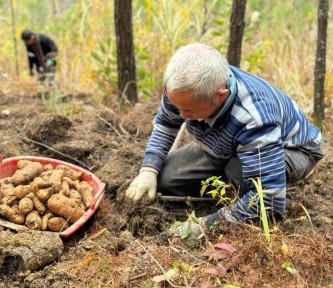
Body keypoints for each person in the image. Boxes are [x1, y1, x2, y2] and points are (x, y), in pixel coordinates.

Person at [125, 43, 323, 246]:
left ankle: (240, 203)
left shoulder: (254, 116)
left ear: (221, 95)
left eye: (189, 111)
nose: (182, 116)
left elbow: (269, 198)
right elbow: (166, 125)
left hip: (294, 149)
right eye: (178, 107)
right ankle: (233, 186)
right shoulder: (180, 89)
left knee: (240, 172)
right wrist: (148, 169)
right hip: (225, 145)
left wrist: (207, 226)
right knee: (166, 180)